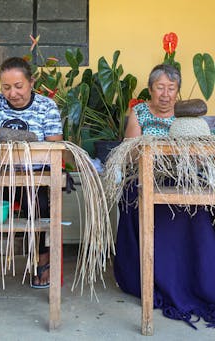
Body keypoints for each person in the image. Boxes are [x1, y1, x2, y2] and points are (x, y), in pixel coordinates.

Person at [114, 64, 215, 328]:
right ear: (150, 89)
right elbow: (130, 154)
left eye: (172, 88)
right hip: (145, 179)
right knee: (136, 198)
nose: (166, 94)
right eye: (160, 87)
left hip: (184, 179)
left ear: (178, 92)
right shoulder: (139, 113)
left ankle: (198, 280)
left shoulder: (190, 122)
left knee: (198, 209)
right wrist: (157, 151)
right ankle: (156, 278)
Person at [0, 56, 63, 289]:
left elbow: (55, 146)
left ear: (31, 82)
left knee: (43, 203)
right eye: (6, 87)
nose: (12, 93)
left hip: (35, 176)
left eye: (18, 86)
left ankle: (43, 259)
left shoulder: (46, 106)